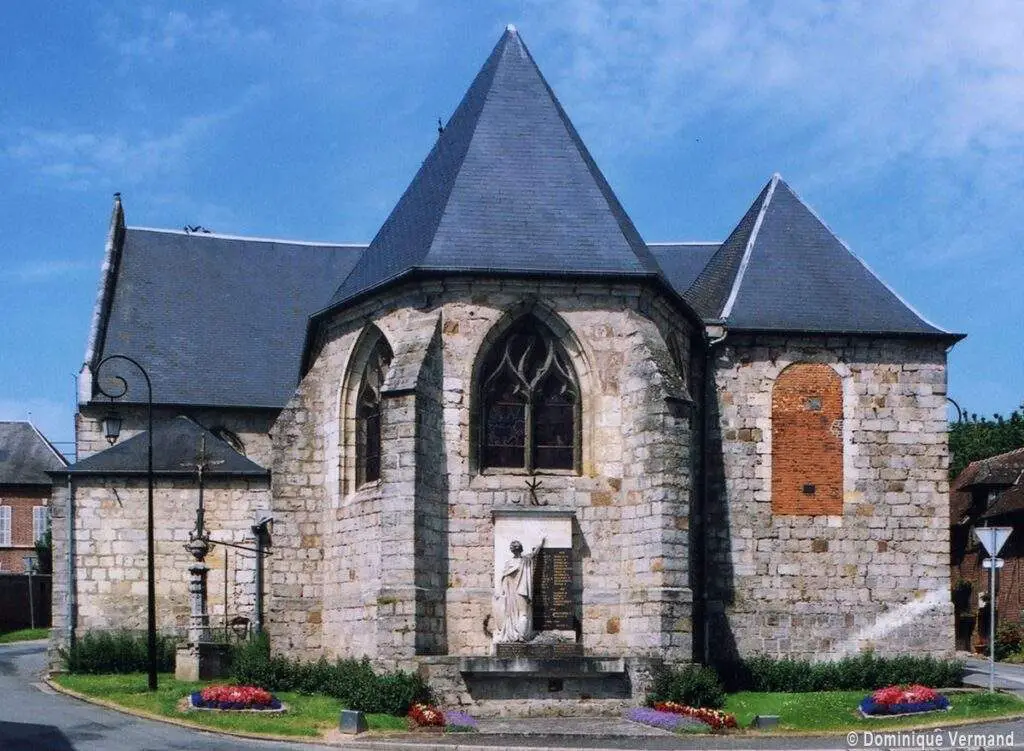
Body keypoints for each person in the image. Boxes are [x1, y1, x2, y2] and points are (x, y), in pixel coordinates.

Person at [493, 537, 544, 643]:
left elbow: (503, 579)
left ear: (512, 550)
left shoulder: (509, 563)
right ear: (521, 549)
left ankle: (516, 634)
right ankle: (522, 637)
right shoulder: (525, 560)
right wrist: (541, 543)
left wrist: (502, 591)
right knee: (523, 614)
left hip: (511, 594)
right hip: (521, 592)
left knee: (515, 615)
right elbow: (534, 554)